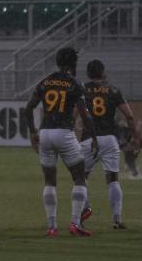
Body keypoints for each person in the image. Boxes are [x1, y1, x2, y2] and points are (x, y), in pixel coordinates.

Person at [24, 47, 98, 237]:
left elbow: (28, 108)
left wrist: (33, 133)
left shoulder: (45, 81)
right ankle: (75, 223)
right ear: (73, 63)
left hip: (45, 133)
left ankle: (52, 227)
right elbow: (85, 116)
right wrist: (94, 137)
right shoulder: (74, 83)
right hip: (64, 132)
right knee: (79, 178)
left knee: (50, 181)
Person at [79, 60, 142, 229]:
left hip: (89, 140)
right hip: (109, 139)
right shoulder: (113, 90)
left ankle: (83, 212)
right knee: (113, 179)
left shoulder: (82, 89)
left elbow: (73, 113)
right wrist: (135, 135)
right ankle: (117, 219)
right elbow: (129, 116)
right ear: (103, 72)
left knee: (80, 178)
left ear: (88, 74)